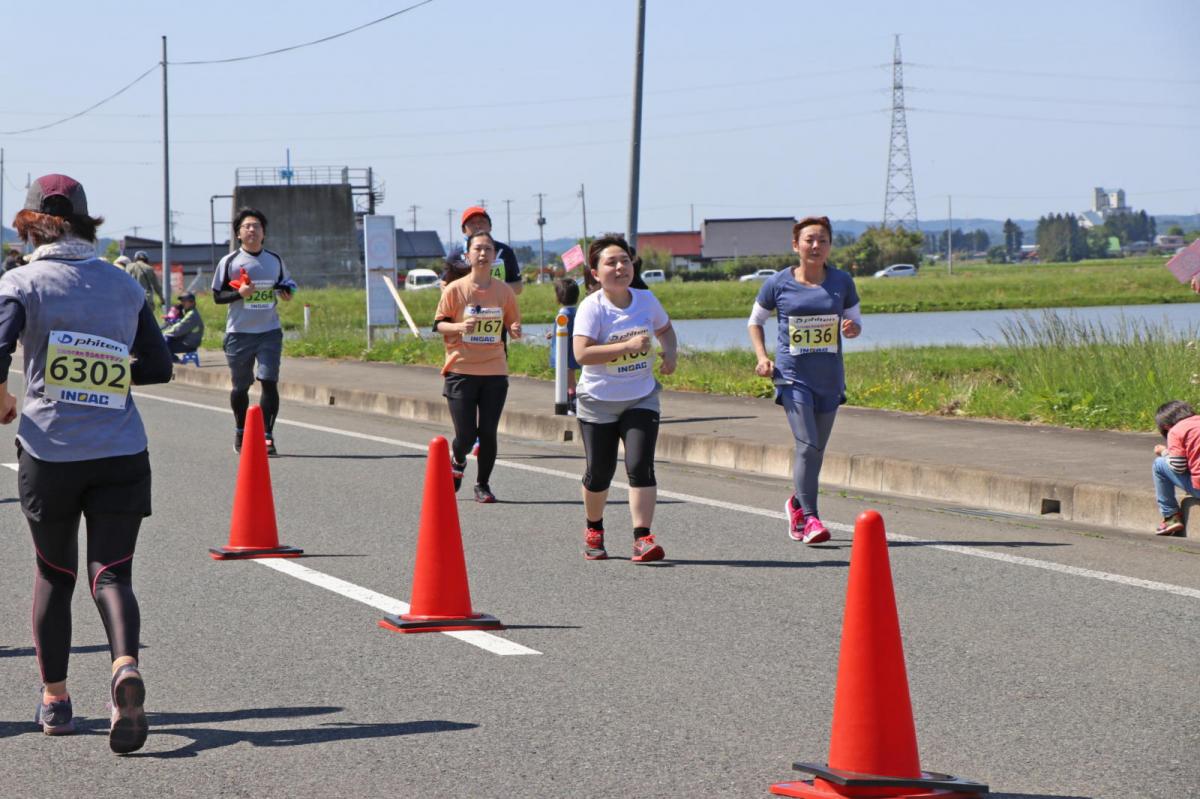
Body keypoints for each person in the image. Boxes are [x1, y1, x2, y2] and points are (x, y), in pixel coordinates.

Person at [0, 173, 172, 753]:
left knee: (55, 573)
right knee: (112, 573)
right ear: (85, 222)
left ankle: (56, 700)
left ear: (29, 224)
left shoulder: (21, 281)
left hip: (51, 451)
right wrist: (105, 368)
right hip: (122, 447)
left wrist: (6, 392)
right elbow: (158, 365)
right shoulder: (124, 285)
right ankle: (124, 665)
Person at [747, 215, 862, 545]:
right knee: (807, 443)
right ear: (795, 245)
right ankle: (811, 518)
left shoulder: (842, 281)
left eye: (822, 240)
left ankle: (797, 503)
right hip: (792, 377)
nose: (816, 246)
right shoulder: (778, 283)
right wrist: (762, 357)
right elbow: (755, 322)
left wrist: (851, 329)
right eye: (809, 240)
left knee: (816, 450)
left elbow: (854, 322)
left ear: (829, 246)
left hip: (829, 378)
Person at [572, 235, 677, 563]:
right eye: (611, 263)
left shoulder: (645, 300)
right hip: (598, 401)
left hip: (641, 396)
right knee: (599, 472)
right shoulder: (592, 307)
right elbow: (582, 354)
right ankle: (594, 529)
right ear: (594, 272)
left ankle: (642, 538)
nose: (620, 267)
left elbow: (666, 329)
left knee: (639, 465)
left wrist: (670, 353)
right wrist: (626, 347)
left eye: (625, 261)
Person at [433, 231, 522, 502]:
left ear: (495, 256)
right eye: (478, 249)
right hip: (461, 368)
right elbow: (438, 325)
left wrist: (515, 329)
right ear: (468, 255)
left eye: (488, 249)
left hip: (494, 369)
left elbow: (512, 324)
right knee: (466, 435)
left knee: (488, 433)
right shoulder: (455, 289)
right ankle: (458, 461)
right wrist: (460, 326)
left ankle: (483, 484)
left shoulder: (504, 291)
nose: (483, 254)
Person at [210, 208, 297, 457]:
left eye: (256, 226)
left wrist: (289, 293)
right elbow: (217, 296)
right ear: (239, 234)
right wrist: (240, 294)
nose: (252, 229)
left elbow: (288, 284)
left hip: (269, 331)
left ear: (263, 232)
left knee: (269, 382)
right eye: (246, 226)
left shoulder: (275, 260)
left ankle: (267, 436)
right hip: (239, 333)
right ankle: (241, 431)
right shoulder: (229, 262)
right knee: (241, 386)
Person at [1151, 399, 1200, 535]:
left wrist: (1165, 453)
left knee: (1159, 465)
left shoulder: (1176, 430)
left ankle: (1171, 516)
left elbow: (1178, 467)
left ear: (1166, 426)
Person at [459, 206, 523, 295]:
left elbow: (518, 287)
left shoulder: (505, 251)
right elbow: (445, 287)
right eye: (472, 222)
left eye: (482, 221)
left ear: (490, 227)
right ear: (463, 229)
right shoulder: (456, 255)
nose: (478, 226)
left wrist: (492, 290)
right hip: (467, 307)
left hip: (498, 307)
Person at [549, 277, 580, 414]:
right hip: (573, 352)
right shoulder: (576, 312)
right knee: (571, 380)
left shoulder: (563, 314)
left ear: (559, 297)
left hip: (565, 355)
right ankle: (572, 404)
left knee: (568, 382)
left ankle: (572, 406)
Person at [161, 291, 204, 361]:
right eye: (182, 301)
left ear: (192, 302)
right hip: (188, 341)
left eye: (185, 301)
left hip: (189, 344)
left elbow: (179, 329)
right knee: (165, 341)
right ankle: (171, 359)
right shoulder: (190, 312)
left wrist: (163, 333)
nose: (182, 303)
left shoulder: (192, 315)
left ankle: (174, 360)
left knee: (162, 344)